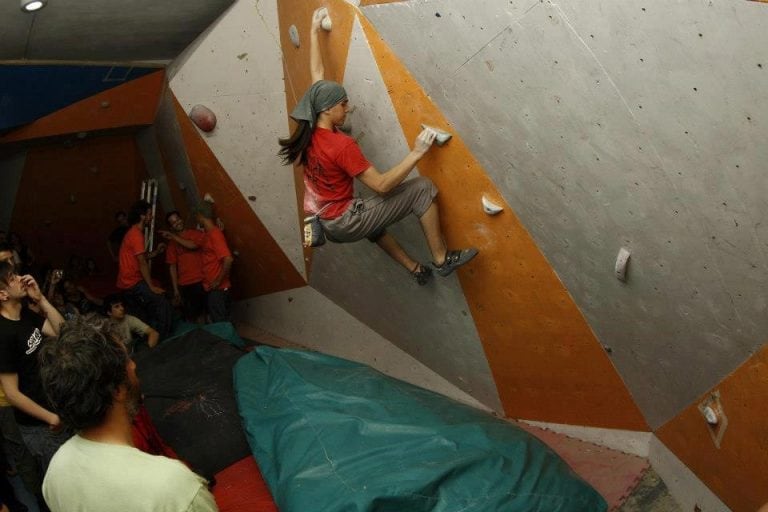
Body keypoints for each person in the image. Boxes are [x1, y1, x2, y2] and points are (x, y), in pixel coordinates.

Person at [278, 8, 478, 286]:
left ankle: (414, 269)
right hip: (344, 221)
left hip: (324, 222)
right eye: (343, 104)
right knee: (422, 189)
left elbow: (317, 76)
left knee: (373, 222)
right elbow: (382, 185)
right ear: (327, 109)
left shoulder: (311, 128)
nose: (348, 108)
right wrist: (417, 152)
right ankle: (442, 259)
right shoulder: (341, 145)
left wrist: (313, 30)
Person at [38, 319, 218, 512]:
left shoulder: (55, 471)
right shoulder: (176, 489)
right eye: (127, 359)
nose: (133, 366)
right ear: (117, 390)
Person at [0, 262, 68, 511]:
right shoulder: (3, 334)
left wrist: (41, 300)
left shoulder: (25, 314)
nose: (20, 278)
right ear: (2, 294)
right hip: (40, 425)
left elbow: (62, 332)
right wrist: (51, 418)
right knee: (60, 484)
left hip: (55, 409)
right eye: (12, 278)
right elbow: (12, 394)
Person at [116, 200, 172, 339]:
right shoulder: (136, 234)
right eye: (149, 214)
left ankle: (150, 336)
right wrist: (151, 286)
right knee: (161, 301)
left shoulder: (133, 233)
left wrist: (156, 252)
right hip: (132, 282)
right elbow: (142, 262)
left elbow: (141, 257)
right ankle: (162, 337)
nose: (151, 217)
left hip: (126, 283)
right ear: (142, 216)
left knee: (141, 314)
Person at [159, 211, 207, 323]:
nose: (177, 223)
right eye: (173, 223)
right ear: (171, 227)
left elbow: (193, 245)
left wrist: (173, 237)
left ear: (182, 219)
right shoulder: (171, 245)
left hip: (202, 280)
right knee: (194, 316)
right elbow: (172, 267)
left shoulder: (195, 234)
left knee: (208, 312)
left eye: (178, 220)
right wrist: (176, 290)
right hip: (186, 285)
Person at [194, 203, 233, 323]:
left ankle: (228, 342)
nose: (196, 219)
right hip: (212, 288)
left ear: (200, 216)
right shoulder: (209, 234)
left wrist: (218, 280)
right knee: (218, 321)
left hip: (219, 289)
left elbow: (228, 259)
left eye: (196, 216)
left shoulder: (215, 234)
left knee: (221, 323)